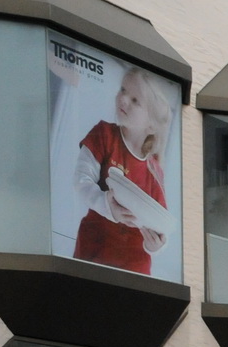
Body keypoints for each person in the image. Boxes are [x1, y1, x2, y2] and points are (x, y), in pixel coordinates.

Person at [72, 67, 173, 276]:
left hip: (134, 269)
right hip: (93, 253)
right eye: (123, 90)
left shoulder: (154, 170)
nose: (123, 98)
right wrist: (109, 206)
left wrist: (156, 246)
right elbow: (82, 181)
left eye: (135, 100)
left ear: (151, 126)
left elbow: (161, 225)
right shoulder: (104, 134)